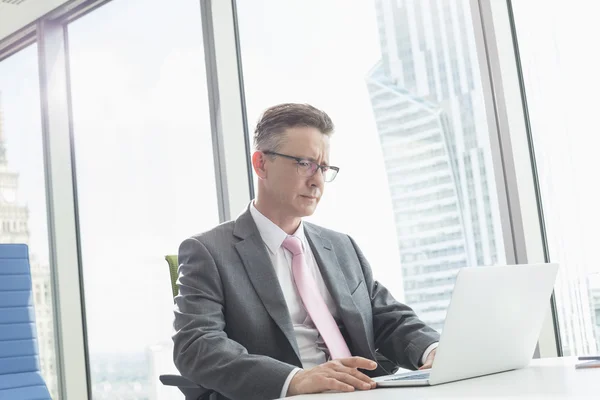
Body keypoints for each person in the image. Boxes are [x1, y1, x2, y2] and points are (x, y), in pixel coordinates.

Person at [173, 103, 440, 400]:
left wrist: (433, 350)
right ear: (261, 164)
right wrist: (295, 380)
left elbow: (387, 317)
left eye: (323, 168)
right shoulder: (209, 251)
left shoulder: (341, 246)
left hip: (364, 390)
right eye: (304, 163)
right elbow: (197, 346)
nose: (317, 181)